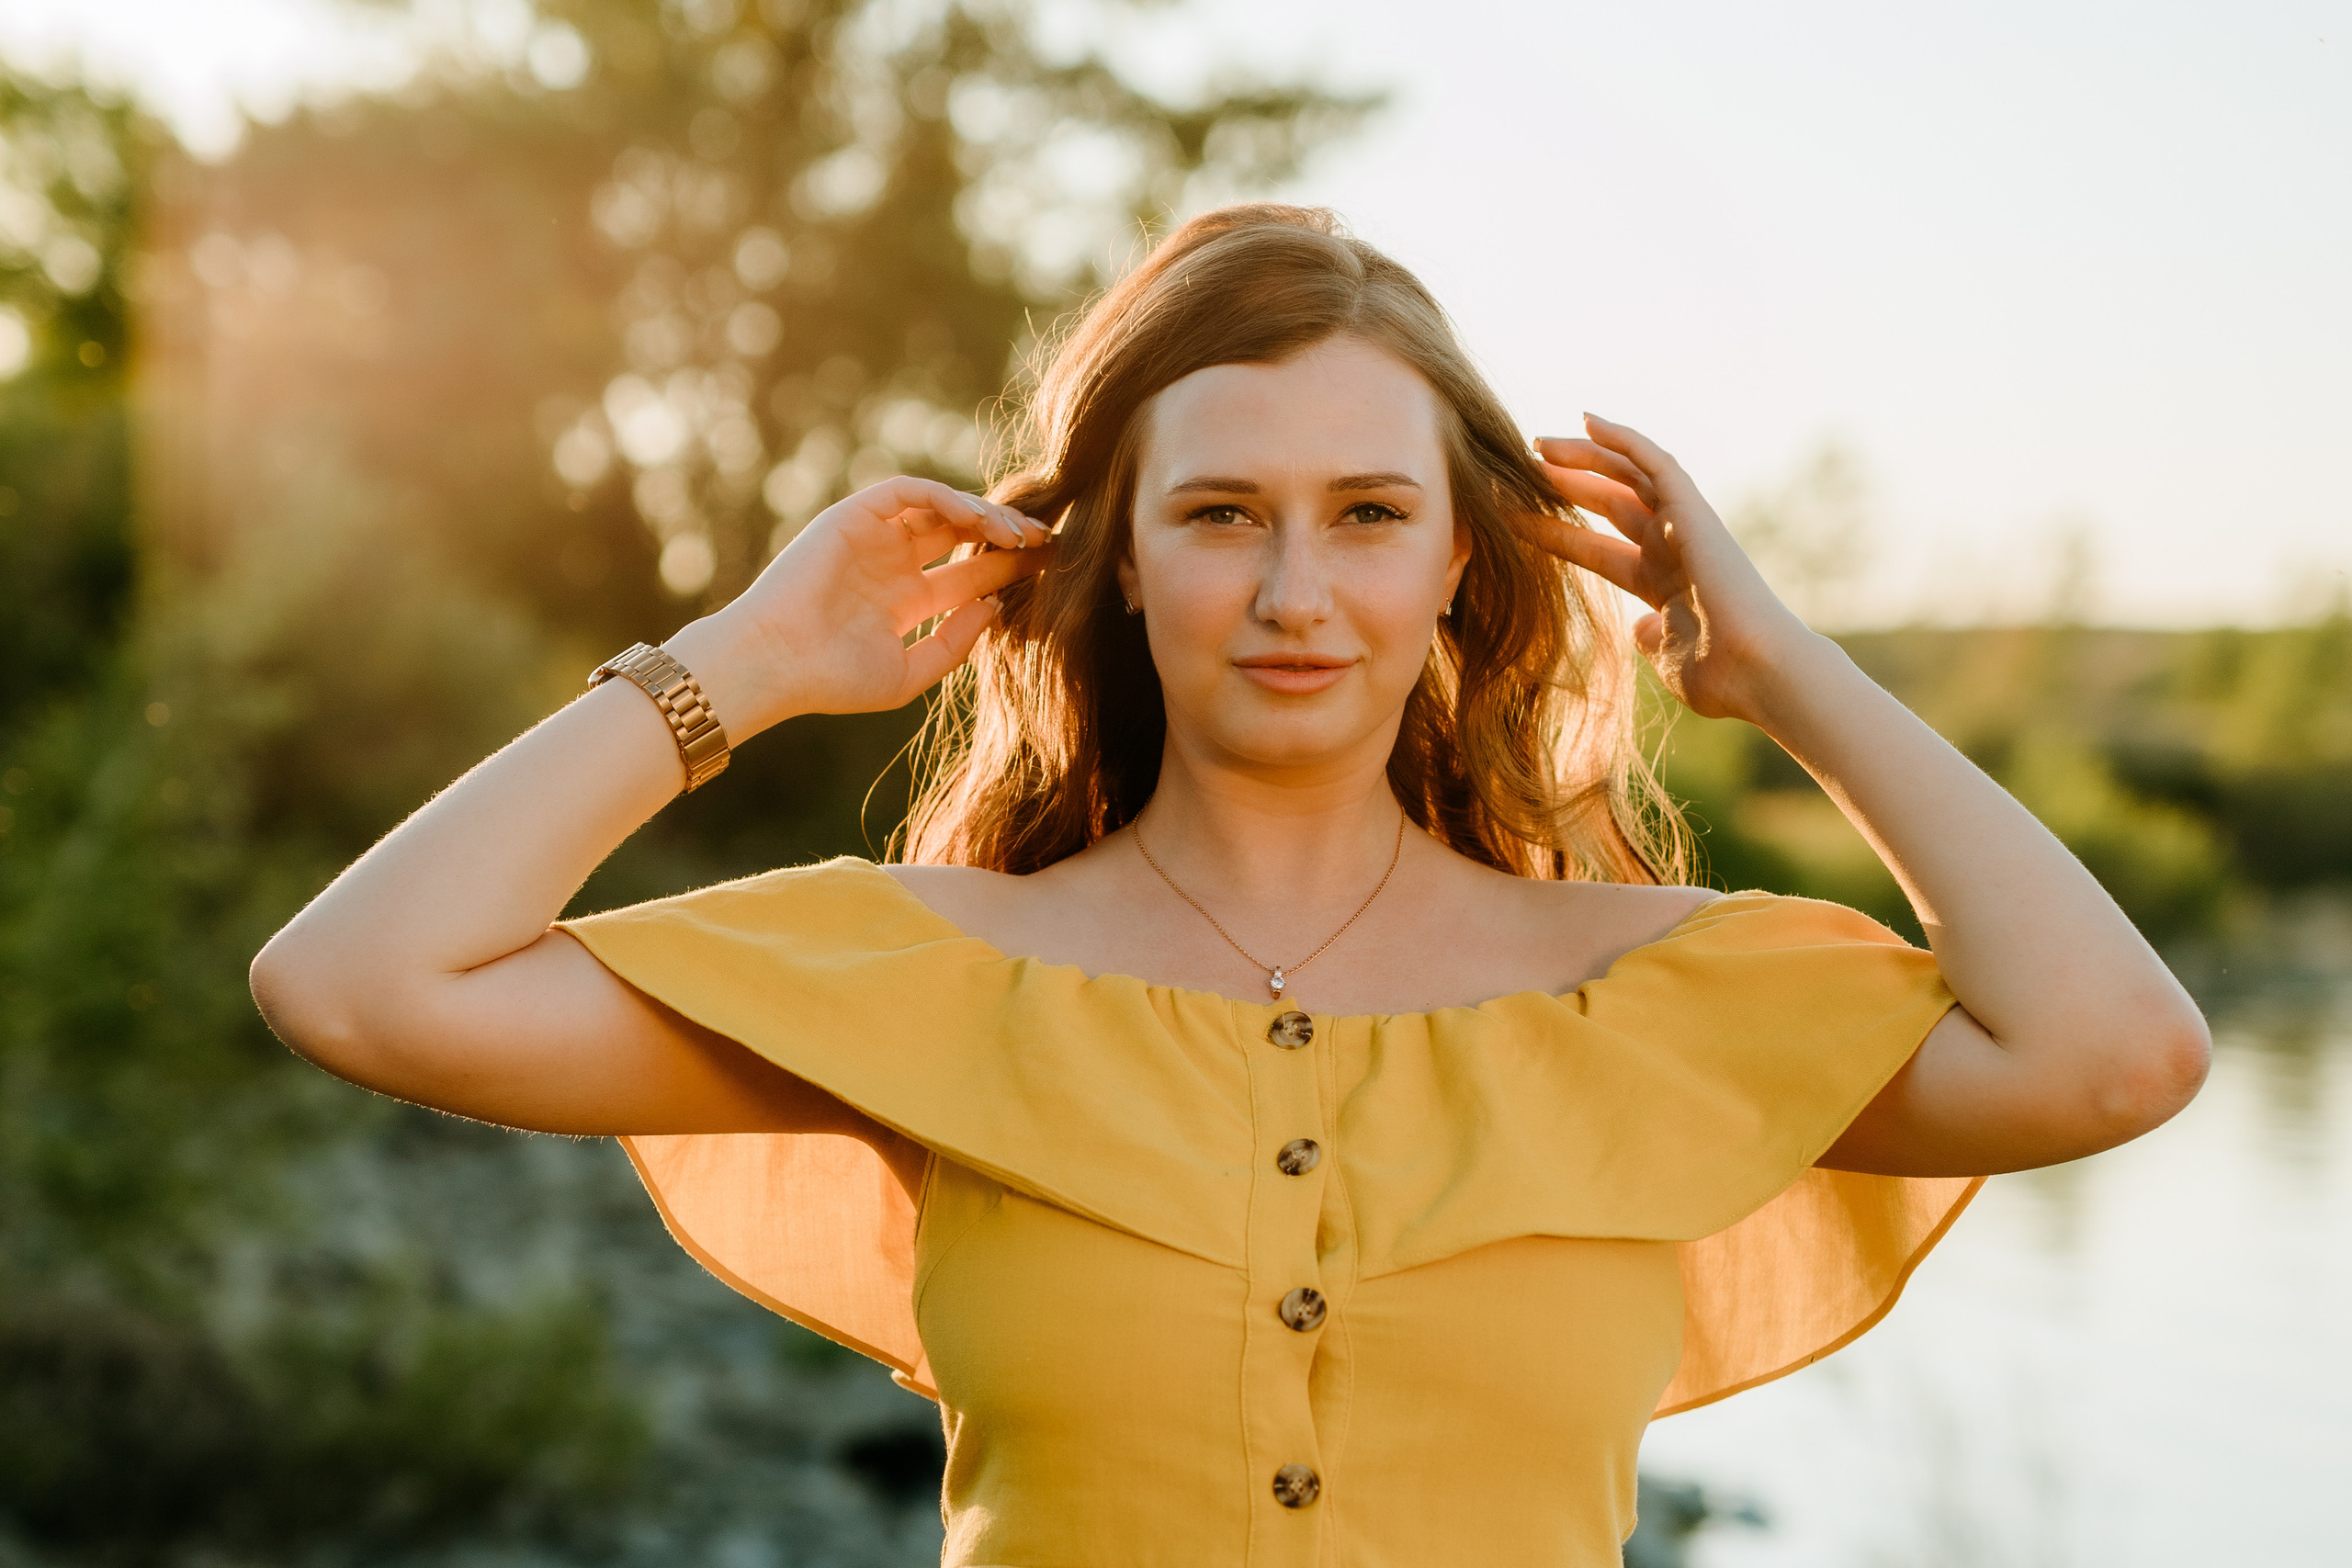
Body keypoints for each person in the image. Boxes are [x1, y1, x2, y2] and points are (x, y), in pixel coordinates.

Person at [251, 205, 2209, 1562]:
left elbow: (2116, 1053)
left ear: (1459, 559)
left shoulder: (1649, 990)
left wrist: (1783, 669)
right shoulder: (932, 968)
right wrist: (740, 663)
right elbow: (358, 984)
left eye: (1366, 514)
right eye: (1218, 513)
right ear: (1115, 556)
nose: (1293, 591)